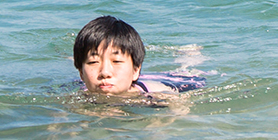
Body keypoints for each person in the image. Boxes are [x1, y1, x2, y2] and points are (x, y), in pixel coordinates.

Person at [73, 15, 205, 96]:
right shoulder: (76, 95)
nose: (105, 72)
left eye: (117, 61)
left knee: (187, 74)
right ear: (81, 74)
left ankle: (188, 59)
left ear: (136, 71)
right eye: (93, 62)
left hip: (168, 81)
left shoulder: (155, 95)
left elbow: (178, 109)